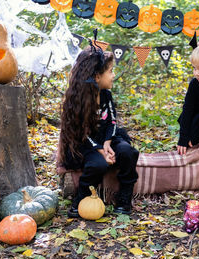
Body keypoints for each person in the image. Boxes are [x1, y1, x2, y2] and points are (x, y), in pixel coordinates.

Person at [59, 41, 139, 217]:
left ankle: (124, 198)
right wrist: (101, 150)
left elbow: (111, 121)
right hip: (84, 141)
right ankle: (81, 198)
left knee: (127, 152)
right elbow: (81, 132)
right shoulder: (77, 100)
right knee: (97, 164)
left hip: (106, 137)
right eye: (110, 71)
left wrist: (109, 142)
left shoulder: (106, 95)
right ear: (96, 76)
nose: (113, 75)